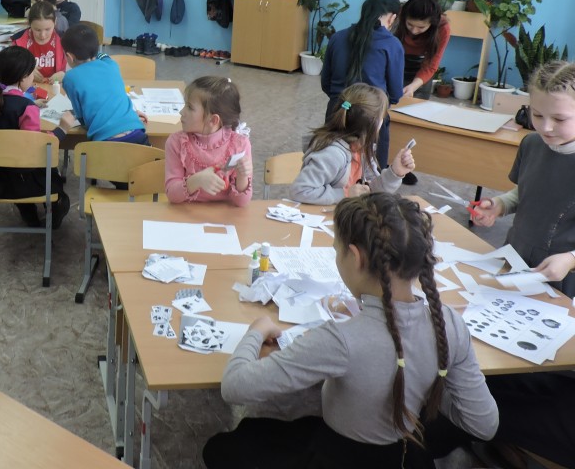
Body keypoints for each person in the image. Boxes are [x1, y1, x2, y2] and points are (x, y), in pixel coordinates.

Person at [202, 193, 498, 469]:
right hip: (406, 453)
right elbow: (484, 424)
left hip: (340, 456)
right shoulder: (449, 323)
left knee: (220, 447)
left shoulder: (340, 339)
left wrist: (256, 331)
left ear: (355, 257)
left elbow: (234, 387)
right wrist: (424, 380)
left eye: (336, 250)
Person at [471, 60, 575, 297]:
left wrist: (571, 259)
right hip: (516, 255)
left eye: (559, 119)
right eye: (537, 115)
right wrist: (500, 204)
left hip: (563, 275)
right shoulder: (532, 144)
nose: (546, 127)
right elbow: (527, 190)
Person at [0, 46, 70, 228]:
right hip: (21, 180)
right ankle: (53, 215)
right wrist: (62, 129)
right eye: (32, 73)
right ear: (23, 78)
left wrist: (29, 102)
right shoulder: (26, 108)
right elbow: (38, 149)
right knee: (55, 184)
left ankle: (28, 212)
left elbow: (7, 108)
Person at [290, 83, 414, 205]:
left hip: (347, 213)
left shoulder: (363, 149)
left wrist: (395, 173)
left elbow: (371, 191)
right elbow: (300, 191)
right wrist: (345, 194)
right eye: (382, 117)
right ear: (375, 125)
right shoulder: (332, 155)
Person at [321, 0, 403, 169]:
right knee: (372, 172)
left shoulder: (337, 38)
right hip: (372, 117)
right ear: (392, 18)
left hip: (338, 111)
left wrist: (346, 101)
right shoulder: (391, 44)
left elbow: (326, 83)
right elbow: (395, 94)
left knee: (331, 166)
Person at [164, 76, 252, 205]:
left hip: (225, 216)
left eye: (189, 107)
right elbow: (172, 195)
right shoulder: (177, 142)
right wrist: (196, 180)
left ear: (213, 120)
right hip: (186, 213)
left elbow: (241, 203)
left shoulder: (239, 144)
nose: (181, 112)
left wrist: (242, 176)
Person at [394, 0, 451, 185]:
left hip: (421, 69)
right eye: (410, 25)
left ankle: (403, 165)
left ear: (432, 23)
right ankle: (383, 160)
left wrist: (413, 86)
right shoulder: (396, 16)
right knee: (387, 116)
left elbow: (431, 65)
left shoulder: (443, 27)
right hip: (394, 61)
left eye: (421, 27)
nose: (413, 31)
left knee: (414, 118)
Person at [58, 23, 146, 144]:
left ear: (69, 56)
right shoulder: (111, 64)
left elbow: (81, 117)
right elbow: (105, 56)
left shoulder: (70, 78)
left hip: (105, 143)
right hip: (136, 132)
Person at [13, 0, 66, 84]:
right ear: (30, 24)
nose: (43, 35)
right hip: (28, 87)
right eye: (37, 30)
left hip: (56, 87)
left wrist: (65, 75)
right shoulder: (18, 41)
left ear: (55, 22)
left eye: (48, 29)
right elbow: (11, 67)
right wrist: (25, 71)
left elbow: (78, 69)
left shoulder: (64, 41)